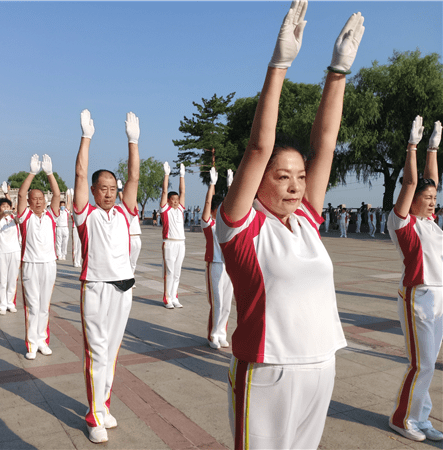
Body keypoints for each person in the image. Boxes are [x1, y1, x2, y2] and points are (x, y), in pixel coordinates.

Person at [217, 3, 363, 448]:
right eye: (283, 177)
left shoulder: (306, 221)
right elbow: (260, 146)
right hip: (267, 369)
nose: (296, 186)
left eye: (301, 177)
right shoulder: (241, 228)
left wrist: (337, 73)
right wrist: (279, 65)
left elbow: (326, 143)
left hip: (321, 363)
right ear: (257, 182)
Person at [73, 109, 140, 444]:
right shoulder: (87, 215)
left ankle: (103, 405)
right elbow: (81, 174)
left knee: (111, 354)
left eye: (113, 188)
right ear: (95, 191)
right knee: (96, 355)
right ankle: (94, 415)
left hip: (123, 288)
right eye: (104, 188)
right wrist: (86, 137)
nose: (110, 193)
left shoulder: (125, 213)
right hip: (96, 288)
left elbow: (135, 179)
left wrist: (133, 142)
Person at [387, 117, 443, 442]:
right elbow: (411, 184)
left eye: (435, 197)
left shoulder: (432, 222)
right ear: (413, 201)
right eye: (429, 197)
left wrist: (432, 148)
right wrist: (412, 147)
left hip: (439, 299)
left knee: (429, 365)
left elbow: (429, 180)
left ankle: (421, 417)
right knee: (420, 364)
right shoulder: (404, 225)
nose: (434, 200)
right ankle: (402, 418)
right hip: (418, 297)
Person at [18, 154, 61, 360]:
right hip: (30, 264)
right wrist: (32, 173)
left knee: (44, 305)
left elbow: (57, 194)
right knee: (32, 306)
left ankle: (43, 340)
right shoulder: (25, 216)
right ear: (29, 202)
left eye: (40, 199)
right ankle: (32, 343)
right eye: (33, 199)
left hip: (49, 264)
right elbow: (20, 194)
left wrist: (50, 173)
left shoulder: (51, 215)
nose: (37, 202)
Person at [201, 167, 233, 349]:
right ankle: (212, 334)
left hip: (228, 266)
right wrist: (212, 185)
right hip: (214, 264)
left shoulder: (227, 224)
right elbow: (207, 206)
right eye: (218, 209)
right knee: (217, 301)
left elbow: (235, 205)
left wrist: (231, 186)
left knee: (227, 302)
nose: (221, 211)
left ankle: (222, 333)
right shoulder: (209, 224)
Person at [0, 182, 21, 315]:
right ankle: (2, 304)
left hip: (15, 251)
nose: (6, 208)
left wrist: (7, 194)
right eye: (3, 206)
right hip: (1, 252)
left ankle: (11, 303)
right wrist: (3, 213)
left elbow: (18, 218)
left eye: (7, 206)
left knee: (12, 279)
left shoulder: (14, 218)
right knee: (2, 280)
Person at [160, 162, 186, 308]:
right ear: (169, 201)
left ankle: (174, 296)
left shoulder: (180, 210)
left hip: (181, 243)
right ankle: (167, 298)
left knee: (177, 272)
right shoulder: (165, 210)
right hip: (169, 243)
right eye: (173, 200)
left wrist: (182, 175)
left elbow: (183, 192)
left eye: (177, 200)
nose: (176, 202)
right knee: (169, 272)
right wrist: (167, 175)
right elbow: (164, 191)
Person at [117, 180, 142, 278]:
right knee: (126, 260)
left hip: (137, 238)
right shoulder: (124, 210)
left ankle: (131, 277)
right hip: (128, 238)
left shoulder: (135, 210)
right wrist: (120, 190)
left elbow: (133, 199)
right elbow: (124, 201)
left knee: (133, 262)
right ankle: (125, 278)